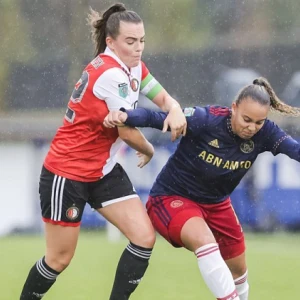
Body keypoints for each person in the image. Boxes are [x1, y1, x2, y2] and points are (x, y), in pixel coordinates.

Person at [20, 3, 187, 300]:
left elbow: (161, 97)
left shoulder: (133, 66)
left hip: (102, 170)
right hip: (67, 172)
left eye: (142, 40)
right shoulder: (111, 74)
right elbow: (125, 129)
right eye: (131, 41)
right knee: (59, 259)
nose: (139, 48)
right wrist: (149, 149)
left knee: (144, 238)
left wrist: (174, 108)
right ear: (111, 42)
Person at [104, 77, 300, 300]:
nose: (252, 128)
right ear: (233, 108)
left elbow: (295, 150)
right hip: (171, 198)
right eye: (246, 119)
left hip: (217, 204)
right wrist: (124, 115)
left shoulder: (266, 133)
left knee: (239, 271)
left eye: (258, 122)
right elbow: (155, 118)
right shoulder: (206, 119)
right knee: (204, 240)